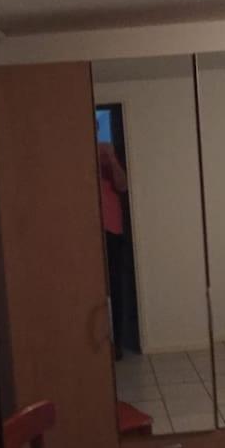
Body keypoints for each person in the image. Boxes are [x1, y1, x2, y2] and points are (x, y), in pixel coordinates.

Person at [98, 142, 128, 359]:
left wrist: (111, 159)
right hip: (86, 234)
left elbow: (123, 186)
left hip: (112, 230)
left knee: (115, 286)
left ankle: (116, 343)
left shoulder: (106, 151)